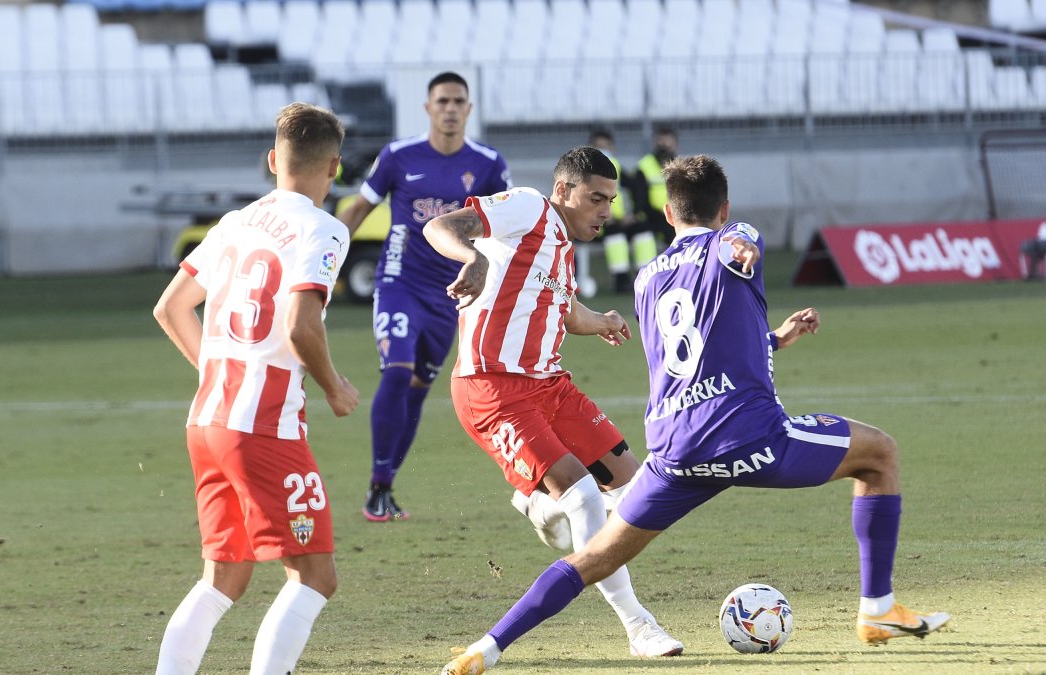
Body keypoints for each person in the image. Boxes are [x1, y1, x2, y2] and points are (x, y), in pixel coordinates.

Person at [441, 155, 950, 675]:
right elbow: (737, 248)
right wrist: (740, 247)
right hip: (745, 437)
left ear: (666, 214)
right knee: (879, 454)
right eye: (598, 198)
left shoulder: (646, 279)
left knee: (594, 556)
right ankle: (878, 610)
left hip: (675, 452)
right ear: (724, 209)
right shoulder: (729, 241)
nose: (606, 210)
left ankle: (487, 648)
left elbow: (693, 353)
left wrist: (772, 339)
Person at [424, 145, 684, 662]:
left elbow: (563, 313)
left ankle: (540, 502)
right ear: (563, 191)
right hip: (492, 387)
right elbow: (440, 228)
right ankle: (639, 626)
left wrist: (604, 321)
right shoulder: (528, 208)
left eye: (610, 200)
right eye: (595, 198)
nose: (606, 211)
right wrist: (471, 255)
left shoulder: (561, 246)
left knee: (634, 486)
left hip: (550, 386)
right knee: (586, 498)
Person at [152, 103, 359, 675]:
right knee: (315, 575)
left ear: (273, 160)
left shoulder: (235, 222)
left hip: (208, 421)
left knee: (225, 576)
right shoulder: (325, 229)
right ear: (335, 167)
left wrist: (219, 370)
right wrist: (335, 388)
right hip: (263, 429)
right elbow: (300, 324)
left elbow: (170, 309)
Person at [337, 71, 513, 522]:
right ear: (428, 108)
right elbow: (359, 207)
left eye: (458, 101)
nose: (450, 109)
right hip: (399, 281)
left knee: (417, 389)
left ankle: (386, 487)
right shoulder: (398, 156)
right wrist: (328, 260)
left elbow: (507, 225)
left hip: (451, 294)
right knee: (397, 370)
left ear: (469, 110)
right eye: (442, 101)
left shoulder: (489, 163)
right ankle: (376, 486)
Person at [582, 128, 658, 295]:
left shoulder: (617, 168)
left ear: (613, 148)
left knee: (643, 230)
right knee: (614, 234)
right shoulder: (583, 174)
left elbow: (636, 191)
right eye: (597, 147)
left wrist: (633, 215)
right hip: (600, 224)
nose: (602, 152)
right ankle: (621, 278)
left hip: (622, 220)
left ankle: (646, 276)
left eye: (605, 147)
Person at [628, 125, 678, 249]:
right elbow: (640, 199)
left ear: (675, 144)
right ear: (655, 143)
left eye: (668, 142)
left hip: (676, 215)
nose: (664, 146)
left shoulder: (681, 166)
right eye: (661, 142)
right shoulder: (644, 166)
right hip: (651, 217)